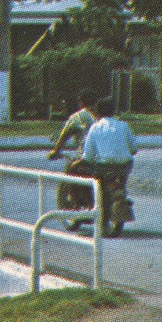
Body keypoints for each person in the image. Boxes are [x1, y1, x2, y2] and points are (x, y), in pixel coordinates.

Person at [78, 96, 136, 231]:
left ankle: (100, 217)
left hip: (105, 168)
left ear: (98, 112)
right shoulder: (124, 126)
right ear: (113, 111)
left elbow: (88, 156)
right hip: (125, 167)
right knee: (119, 183)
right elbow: (133, 149)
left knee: (98, 189)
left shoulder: (95, 128)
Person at [47, 92, 98, 161]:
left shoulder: (78, 116)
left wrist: (56, 152)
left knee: (70, 168)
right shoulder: (104, 117)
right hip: (104, 159)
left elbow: (64, 136)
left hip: (86, 159)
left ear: (80, 102)